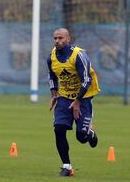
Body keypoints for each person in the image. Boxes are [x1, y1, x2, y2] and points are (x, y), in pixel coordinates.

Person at [47, 28, 100, 176]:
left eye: (60, 38)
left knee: (81, 137)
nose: (57, 41)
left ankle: (89, 132)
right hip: (64, 97)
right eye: (55, 38)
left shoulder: (79, 55)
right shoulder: (51, 56)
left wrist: (77, 101)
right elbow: (51, 74)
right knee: (58, 129)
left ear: (68, 39)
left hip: (83, 98)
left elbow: (87, 79)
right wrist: (53, 93)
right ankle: (67, 166)